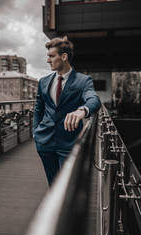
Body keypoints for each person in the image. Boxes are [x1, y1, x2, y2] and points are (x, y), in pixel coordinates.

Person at [33, 36, 101, 186]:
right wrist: (35, 132)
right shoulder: (43, 81)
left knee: (68, 187)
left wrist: (82, 110)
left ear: (64, 57)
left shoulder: (84, 80)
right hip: (45, 143)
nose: (48, 60)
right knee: (53, 185)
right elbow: (39, 109)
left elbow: (94, 100)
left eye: (51, 56)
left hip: (69, 143)